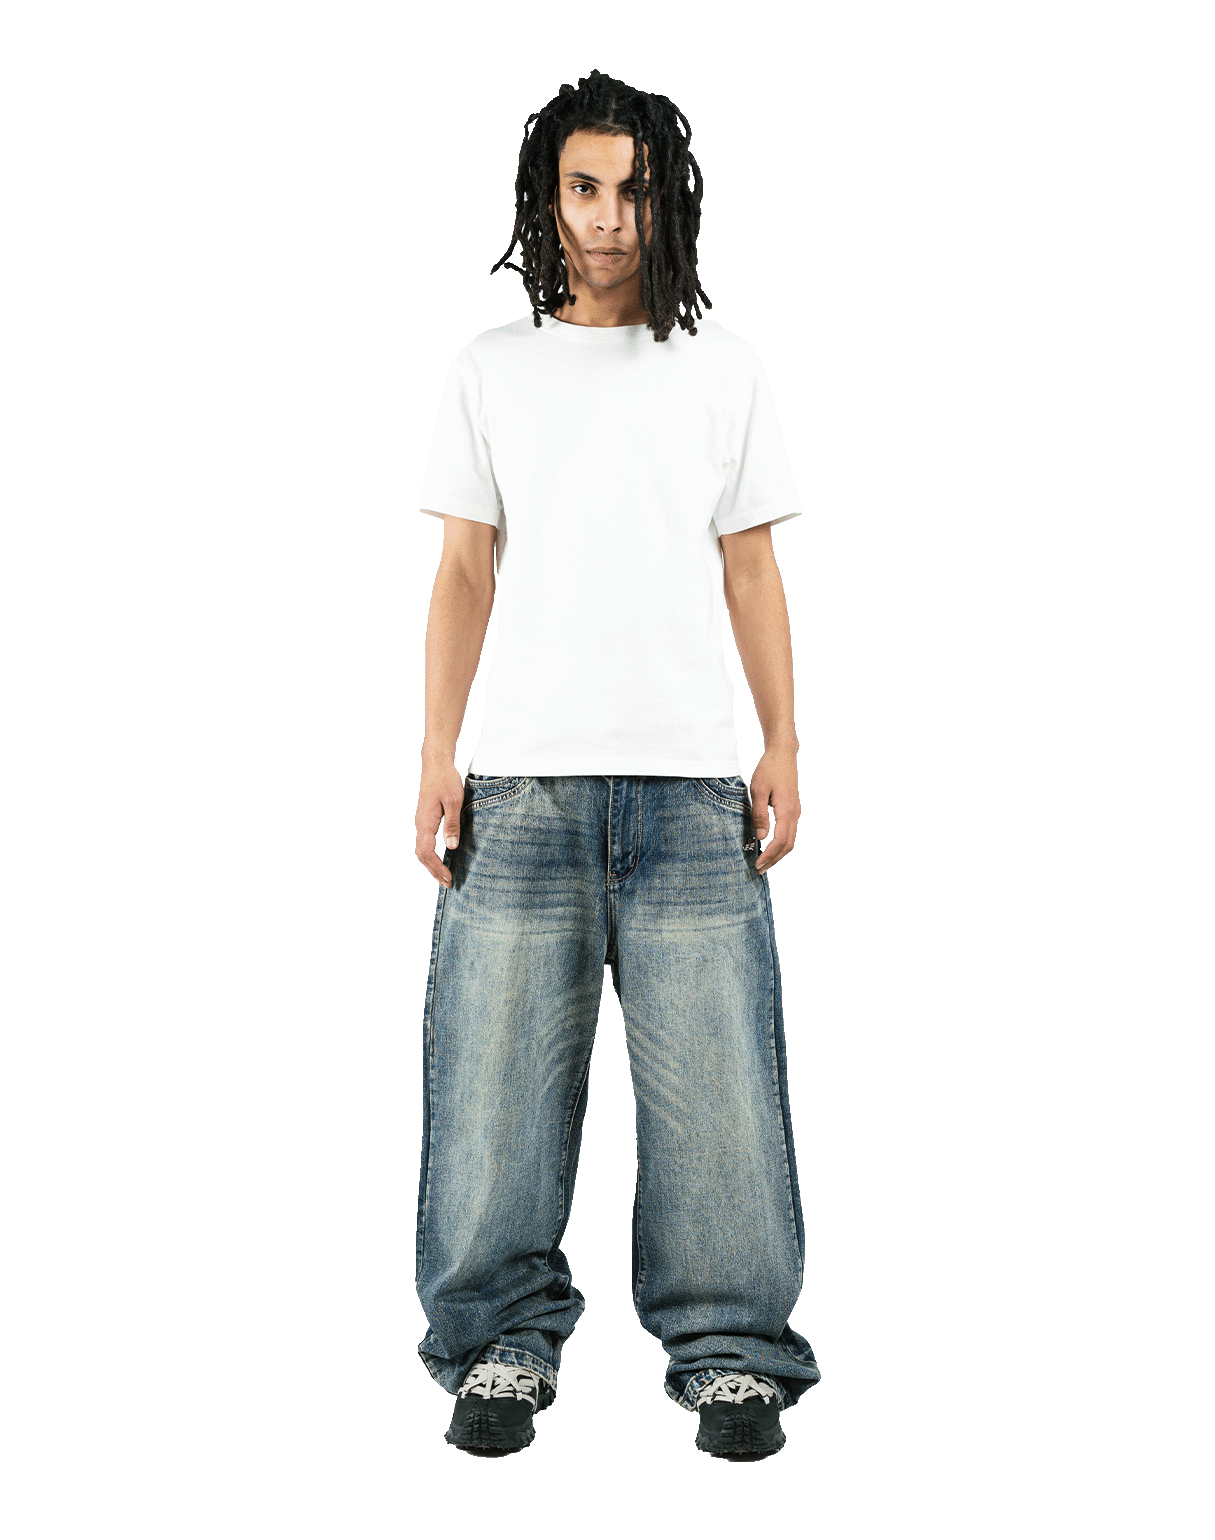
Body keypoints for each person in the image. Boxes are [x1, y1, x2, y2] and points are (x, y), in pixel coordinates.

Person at [413, 69, 820, 1460]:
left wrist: (781, 738)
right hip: (520, 784)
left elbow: (751, 567)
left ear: (669, 200)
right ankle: (496, 1344)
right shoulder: (490, 368)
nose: (607, 217)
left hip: (692, 788)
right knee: (493, 1093)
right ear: (547, 196)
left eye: (633, 190)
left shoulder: (723, 367)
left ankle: (731, 1354)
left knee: (717, 1096)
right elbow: (464, 572)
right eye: (583, 187)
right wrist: (435, 750)